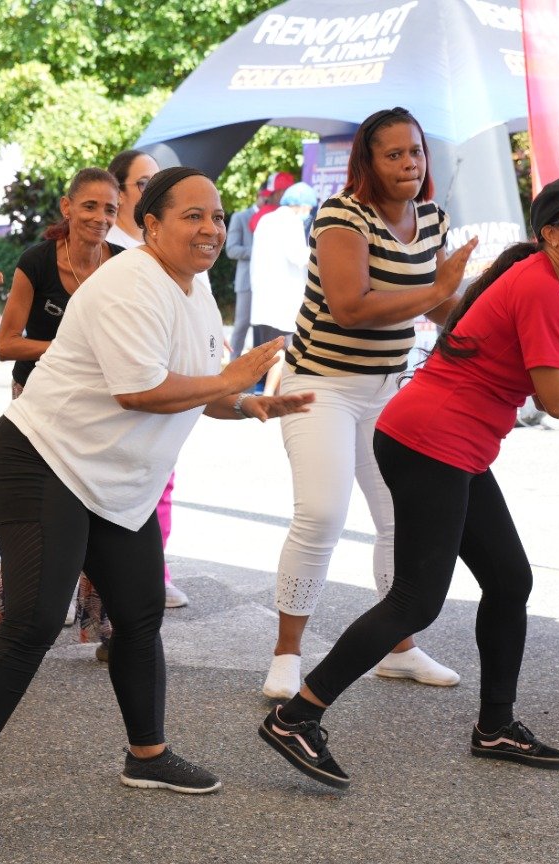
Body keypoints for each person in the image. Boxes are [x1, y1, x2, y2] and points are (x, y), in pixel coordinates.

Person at [258, 173, 559, 786]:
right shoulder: (540, 284)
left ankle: (495, 725)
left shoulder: (538, 281)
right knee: (416, 599)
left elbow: (551, 393)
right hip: (431, 443)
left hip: (447, 445)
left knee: (509, 579)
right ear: (549, 235)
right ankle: (297, 717)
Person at [0, 167, 314, 841]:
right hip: (43, 457)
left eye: (219, 217)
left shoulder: (195, 292)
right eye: (193, 216)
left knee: (138, 614)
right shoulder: (128, 284)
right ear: (151, 225)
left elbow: (200, 389)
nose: (211, 228)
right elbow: (138, 391)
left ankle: (147, 754)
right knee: (32, 619)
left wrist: (248, 402)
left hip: (112, 480)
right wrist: (228, 380)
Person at [261, 108, 474, 700]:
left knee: (400, 522)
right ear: (368, 161)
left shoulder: (432, 219)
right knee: (322, 514)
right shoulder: (340, 215)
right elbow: (350, 306)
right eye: (395, 154)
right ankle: (286, 654)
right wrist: (436, 289)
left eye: (417, 151)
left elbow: (436, 309)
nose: (410, 164)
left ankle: (397, 649)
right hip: (319, 383)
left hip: (387, 388)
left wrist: (484, 313)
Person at [0, 166, 125, 641]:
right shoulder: (38, 261)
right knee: (36, 511)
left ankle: (106, 628)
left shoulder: (125, 265)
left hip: (100, 406)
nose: (100, 217)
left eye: (110, 208)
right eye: (90, 205)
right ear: (67, 207)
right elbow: (6, 343)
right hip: (38, 402)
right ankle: (15, 618)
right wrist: (66, 352)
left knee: (103, 510)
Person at [105, 148, 190, 609]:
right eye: (142, 183)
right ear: (119, 192)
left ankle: (154, 571)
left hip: (163, 383)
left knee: (161, 479)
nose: (152, 191)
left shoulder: (163, 251)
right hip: (122, 390)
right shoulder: (109, 251)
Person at [247, 181, 317, 396]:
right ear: (303, 206)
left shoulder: (267, 219)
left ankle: (275, 395)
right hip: (284, 298)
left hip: (264, 296)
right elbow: (297, 256)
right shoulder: (292, 221)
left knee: (271, 348)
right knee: (284, 349)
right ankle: (269, 397)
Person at [225, 183, 262, 357]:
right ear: (260, 194)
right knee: (242, 324)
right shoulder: (240, 217)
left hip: (267, 282)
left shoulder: (275, 216)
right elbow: (231, 249)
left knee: (263, 327)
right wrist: (259, 250)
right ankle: (233, 362)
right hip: (247, 280)